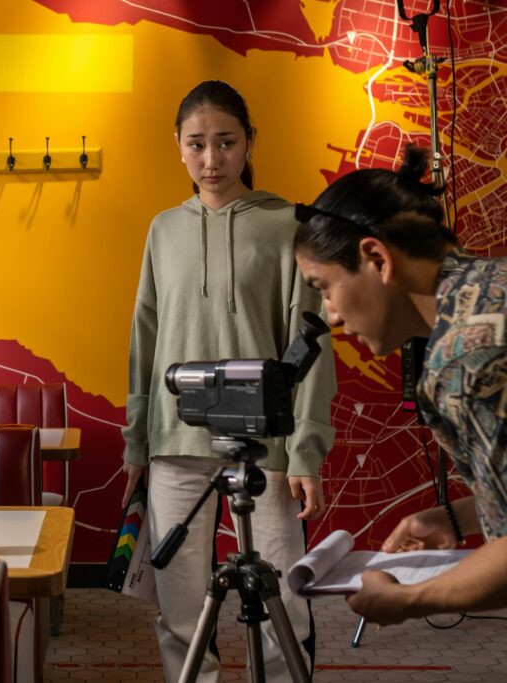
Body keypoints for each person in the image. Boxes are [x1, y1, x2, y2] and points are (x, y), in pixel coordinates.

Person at [121, 80, 337, 681]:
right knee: (179, 607)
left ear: (249, 142)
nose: (211, 159)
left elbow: (311, 342)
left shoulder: (288, 224)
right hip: (176, 439)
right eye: (196, 144)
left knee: (284, 601)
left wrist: (305, 451)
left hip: (266, 441)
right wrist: (136, 442)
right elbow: (144, 340)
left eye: (225, 142)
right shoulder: (163, 230)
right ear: (178, 145)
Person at [293, 145, 507, 625]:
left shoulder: (463, 361)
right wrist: (455, 517)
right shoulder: (496, 283)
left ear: (376, 258)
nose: (331, 315)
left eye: (324, 287)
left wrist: (409, 599)